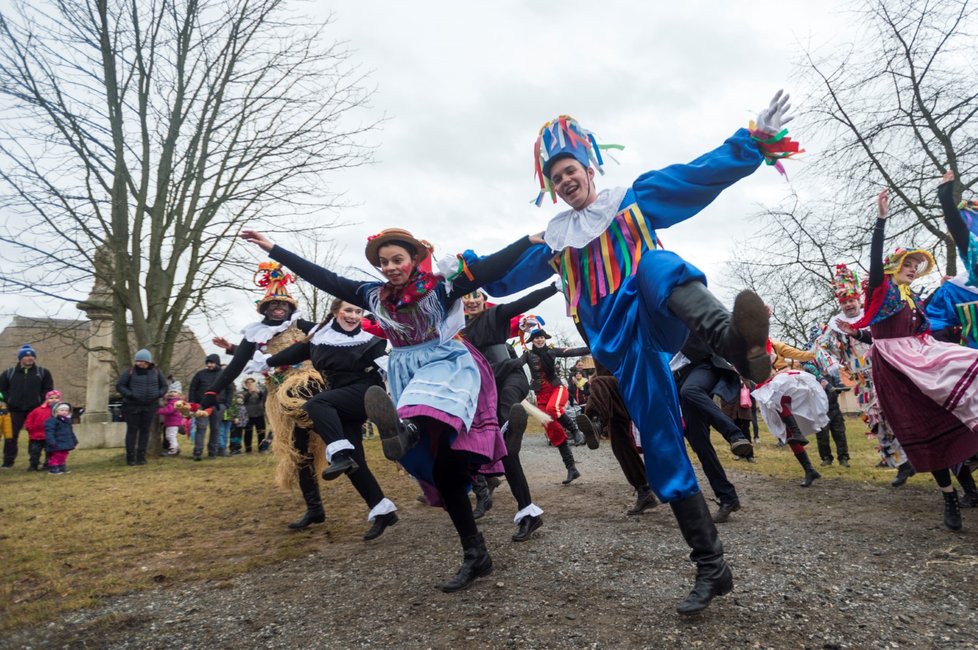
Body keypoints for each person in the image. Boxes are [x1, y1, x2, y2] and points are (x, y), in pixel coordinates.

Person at [472, 93, 800, 613]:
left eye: (570, 170)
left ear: (588, 167)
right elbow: (498, 275)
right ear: (550, 187)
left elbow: (696, 176)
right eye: (554, 177)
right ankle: (712, 567)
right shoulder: (553, 239)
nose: (564, 181)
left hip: (655, 313)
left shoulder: (631, 199)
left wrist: (751, 142)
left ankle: (735, 343)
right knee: (664, 444)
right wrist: (450, 271)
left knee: (657, 265)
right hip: (624, 350)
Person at [240, 226, 539, 592]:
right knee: (443, 472)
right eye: (383, 262)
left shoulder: (441, 287)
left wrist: (526, 242)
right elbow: (323, 277)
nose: (390, 267)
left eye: (397, 259)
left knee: (425, 413)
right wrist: (274, 248)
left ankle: (408, 428)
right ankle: (476, 554)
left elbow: (489, 268)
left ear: (413, 259)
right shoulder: (372, 295)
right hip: (406, 373)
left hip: (446, 367)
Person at [840, 187, 978, 531]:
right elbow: (884, 335)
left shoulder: (913, 299)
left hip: (923, 362)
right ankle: (949, 499)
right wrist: (881, 220)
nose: (914, 269)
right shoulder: (881, 291)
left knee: (951, 417)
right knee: (925, 431)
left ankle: (969, 489)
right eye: (908, 264)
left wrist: (861, 335)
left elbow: (913, 331)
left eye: (917, 265)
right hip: (896, 373)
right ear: (893, 267)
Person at [261, 298, 399, 541]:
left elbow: (388, 369)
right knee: (355, 462)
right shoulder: (320, 337)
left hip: (364, 393)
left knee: (316, 403)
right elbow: (294, 352)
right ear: (336, 311)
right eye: (348, 310)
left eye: (358, 311)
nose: (353, 315)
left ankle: (337, 454)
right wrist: (265, 362)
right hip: (339, 399)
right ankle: (382, 509)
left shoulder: (371, 340)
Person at [202, 261, 324, 526]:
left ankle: (344, 451)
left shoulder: (302, 326)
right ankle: (314, 508)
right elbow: (236, 367)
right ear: (265, 309)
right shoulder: (256, 335)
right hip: (281, 399)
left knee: (332, 434)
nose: (278, 308)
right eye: (273, 306)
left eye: (282, 305)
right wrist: (212, 391)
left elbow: (335, 333)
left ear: (290, 307)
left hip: (312, 389)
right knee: (299, 451)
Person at [461, 285, 558, 541]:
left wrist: (553, 287)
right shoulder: (457, 330)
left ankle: (512, 424)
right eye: (465, 297)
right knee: (506, 452)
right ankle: (528, 514)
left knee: (508, 410)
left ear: (484, 299)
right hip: (485, 387)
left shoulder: (495, 316)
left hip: (511, 378)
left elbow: (524, 301)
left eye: (476, 296)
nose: (471, 301)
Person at [814, 264, 915, 485]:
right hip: (864, 383)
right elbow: (820, 347)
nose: (849, 305)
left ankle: (915, 455)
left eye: (852, 300)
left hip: (887, 373)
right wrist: (830, 362)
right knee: (877, 422)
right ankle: (901, 464)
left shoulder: (873, 317)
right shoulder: (836, 326)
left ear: (859, 300)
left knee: (899, 415)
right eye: (844, 302)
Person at [673, 332, 749, 523]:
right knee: (698, 442)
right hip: (677, 380)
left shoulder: (678, 313)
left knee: (690, 390)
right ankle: (728, 498)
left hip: (702, 366)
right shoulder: (649, 332)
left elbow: (713, 318)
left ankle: (734, 434)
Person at [579, 364, 659, 515]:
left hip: (633, 382)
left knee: (599, 383)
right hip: (614, 395)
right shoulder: (596, 344)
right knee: (620, 445)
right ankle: (644, 491)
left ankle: (596, 422)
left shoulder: (615, 340)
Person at [752, 339, 829, 487]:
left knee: (778, 398)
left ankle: (797, 432)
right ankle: (809, 469)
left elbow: (799, 354)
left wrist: (816, 352)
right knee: (787, 435)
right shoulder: (746, 353)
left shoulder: (775, 345)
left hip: (784, 383)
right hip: (767, 388)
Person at [520, 325, 589, 481]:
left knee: (553, 408)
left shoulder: (552, 351)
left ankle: (577, 431)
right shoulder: (527, 355)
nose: (539, 339)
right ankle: (571, 468)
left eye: (542, 337)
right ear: (532, 340)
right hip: (540, 396)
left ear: (545, 338)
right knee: (553, 431)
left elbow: (573, 352)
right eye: (536, 337)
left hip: (556, 389)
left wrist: (592, 345)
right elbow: (517, 364)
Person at [0, 344, 54, 469]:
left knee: (36, 435)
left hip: (35, 409)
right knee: (11, 435)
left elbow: (48, 390)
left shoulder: (43, 373)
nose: (30, 358)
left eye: (32, 356)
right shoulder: (9, 373)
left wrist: (40, 401)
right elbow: (1, 390)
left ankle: (34, 462)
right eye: (26, 356)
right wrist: (9, 399)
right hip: (14, 409)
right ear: (20, 359)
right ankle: (8, 462)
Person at [116, 348, 168, 466]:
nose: (138, 363)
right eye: (137, 361)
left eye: (141, 361)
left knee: (145, 431)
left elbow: (164, 386)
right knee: (132, 431)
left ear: (147, 362)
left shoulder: (156, 372)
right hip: (132, 406)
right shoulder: (129, 372)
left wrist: (158, 394)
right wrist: (130, 395)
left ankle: (141, 456)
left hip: (150, 406)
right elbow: (120, 386)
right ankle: (130, 457)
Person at [188, 354, 233, 460]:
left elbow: (230, 390)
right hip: (201, 405)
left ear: (217, 363)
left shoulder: (224, 375)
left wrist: (226, 404)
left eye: (212, 362)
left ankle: (212, 451)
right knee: (201, 428)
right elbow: (192, 388)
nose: (209, 365)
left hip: (218, 406)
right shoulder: (200, 374)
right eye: (208, 363)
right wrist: (192, 403)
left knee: (215, 428)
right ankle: (197, 452)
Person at [24, 390, 62, 470]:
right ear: (47, 399)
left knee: (50, 452)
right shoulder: (38, 410)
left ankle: (48, 464)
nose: (54, 400)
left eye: (56, 398)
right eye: (51, 398)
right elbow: (30, 419)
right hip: (36, 436)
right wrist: (30, 428)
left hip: (50, 436)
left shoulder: (60, 411)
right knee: (34, 452)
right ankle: (33, 465)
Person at [44, 402, 77, 475]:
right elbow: (49, 432)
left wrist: (74, 439)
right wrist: (51, 441)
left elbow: (70, 432)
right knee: (57, 455)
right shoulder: (52, 421)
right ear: (56, 411)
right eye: (62, 410)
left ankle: (61, 465)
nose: (64, 412)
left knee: (64, 454)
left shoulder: (67, 421)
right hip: (57, 442)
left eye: (66, 410)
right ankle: (53, 466)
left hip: (65, 442)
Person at [240, 378, 267, 453]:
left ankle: (262, 448)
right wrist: (249, 393)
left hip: (259, 414)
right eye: (248, 383)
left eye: (251, 382)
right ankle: (248, 449)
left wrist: (259, 392)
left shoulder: (259, 391)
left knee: (261, 432)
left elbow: (264, 398)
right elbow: (242, 400)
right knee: (248, 433)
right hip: (248, 416)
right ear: (245, 384)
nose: (250, 384)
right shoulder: (242, 392)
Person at [157, 387, 185, 456]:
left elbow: (169, 410)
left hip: (173, 422)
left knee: (171, 436)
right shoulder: (171, 401)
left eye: (175, 392)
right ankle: (175, 448)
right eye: (171, 391)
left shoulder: (175, 402)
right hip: (171, 422)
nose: (172, 393)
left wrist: (158, 411)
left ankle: (174, 450)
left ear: (179, 394)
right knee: (169, 436)